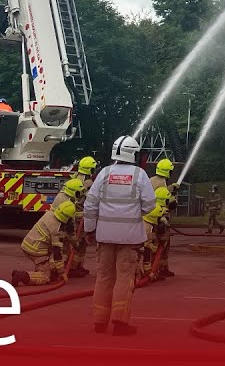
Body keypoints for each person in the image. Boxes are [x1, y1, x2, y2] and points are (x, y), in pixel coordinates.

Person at [84, 135, 157, 336]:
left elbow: (90, 205)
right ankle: (119, 322)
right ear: (133, 154)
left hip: (104, 237)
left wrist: (89, 229)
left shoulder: (104, 174)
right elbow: (150, 205)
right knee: (124, 279)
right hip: (129, 239)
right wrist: (135, 212)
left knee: (104, 277)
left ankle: (99, 322)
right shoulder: (140, 175)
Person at [12, 200, 78, 287]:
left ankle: (42, 271)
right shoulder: (57, 230)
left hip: (28, 244)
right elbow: (57, 253)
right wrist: (61, 272)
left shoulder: (49, 214)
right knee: (46, 277)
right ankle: (22, 276)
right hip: (37, 251)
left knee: (47, 266)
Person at [70, 156, 98, 278]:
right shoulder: (88, 182)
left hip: (73, 213)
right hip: (81, 215)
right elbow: (91, 199)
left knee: (77, 242)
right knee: (80, 243)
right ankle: (74, 267)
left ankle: (76, 266)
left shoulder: (75, 177)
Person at [139, 203, 170, 283]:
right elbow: (146, 247)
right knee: (143, 257)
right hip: (138, 251)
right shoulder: (148, 228)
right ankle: (145, 274)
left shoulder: (143, 222)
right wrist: (153, 247)